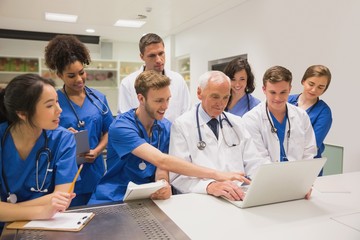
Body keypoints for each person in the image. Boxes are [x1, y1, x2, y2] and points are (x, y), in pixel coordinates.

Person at [89, 70, 249, 204]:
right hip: (113, 199)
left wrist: (163, 183)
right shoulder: (121, 127)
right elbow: (161, 159)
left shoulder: (165, 126)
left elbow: (162, 168)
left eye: (167, 99)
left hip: (147, 199)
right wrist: (217, 175)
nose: (165, 106)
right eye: (159, 100)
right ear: (141, 99)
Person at [169, 71, 266, 201]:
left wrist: (262, 182)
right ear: (199, 93)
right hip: (201, 198)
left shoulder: (237, 123)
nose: (221, 104)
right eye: (215, 97)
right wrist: (209, 186)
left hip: (236, 195)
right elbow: (177, 175)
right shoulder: (182, 125)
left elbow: (254, 162)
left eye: (225, 97)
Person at [0, 74, 78, 232]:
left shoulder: (64, 139)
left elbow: (62, 198)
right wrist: (41, 210)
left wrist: (7, 210)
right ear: (22, 114)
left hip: (45, 229)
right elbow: (52, 202)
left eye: (57, 101)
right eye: (50, 105)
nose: (59, 110)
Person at [44, 35, 114, 206]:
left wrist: (97, 150)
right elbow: (44, 134)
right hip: (65, 172)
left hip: (95, 171)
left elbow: (109, 130)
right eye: (71, 75)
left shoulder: (98, 99)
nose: (79, 79)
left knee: (98, 217)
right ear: (60, 75)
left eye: (81, 73)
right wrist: (62, 135)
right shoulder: (54, 100)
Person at [242, 66, 317, 163]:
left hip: (297, 174)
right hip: (266, 176)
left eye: (283, 92)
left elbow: (309, 151)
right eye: (273, 92)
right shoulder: (251, 119)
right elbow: (258, 158)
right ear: (264, 90)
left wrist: (300, 173)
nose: (278, 98)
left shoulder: (301, 116)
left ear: (289, 89)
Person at [118, 33, 191, 122]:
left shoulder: (178, 80)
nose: (159, 60)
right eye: (152, 55)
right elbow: (125, 119)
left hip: (174, 134)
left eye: (161, 53)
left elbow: (186, 114)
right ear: (142, 57)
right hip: (139, 135)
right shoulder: (128, 83)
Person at [288, 65, 332, 176]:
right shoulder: (287, 101)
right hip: (281, 163)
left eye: (320, 87)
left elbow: (312, 145)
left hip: (308, 167)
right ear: (303, 81)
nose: (314, 90)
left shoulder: (324, 112)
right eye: (311, 84)